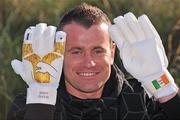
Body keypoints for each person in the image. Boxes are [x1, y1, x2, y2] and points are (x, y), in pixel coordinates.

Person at [7, 3, 180, 120]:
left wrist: (161, 82)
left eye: (98, 51)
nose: (88, 62)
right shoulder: (31, 104)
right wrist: (42, 97)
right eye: (77, 51)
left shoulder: (140, 100)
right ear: (58, 54)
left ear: (112, 52)